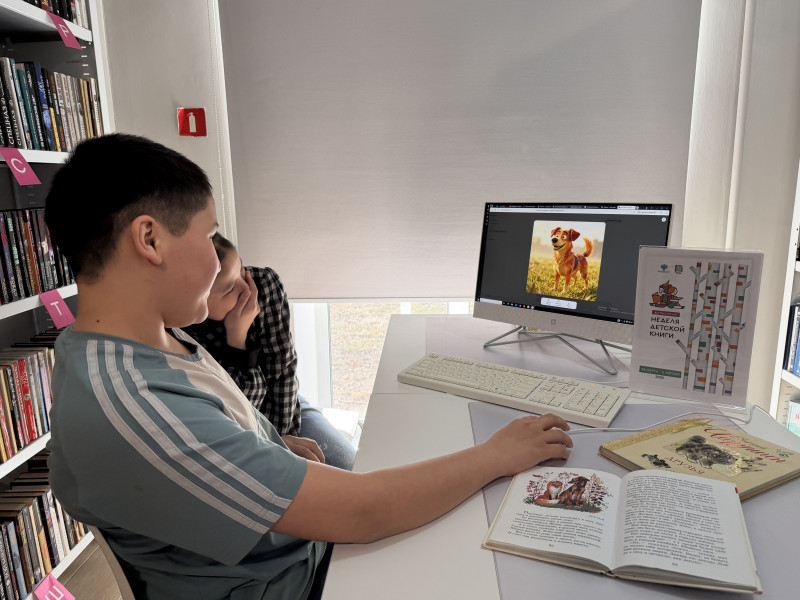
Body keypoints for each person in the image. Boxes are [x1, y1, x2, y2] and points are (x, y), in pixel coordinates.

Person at [44, 133, 573, 600]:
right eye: (208, 236)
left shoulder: (146, 339)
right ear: (150, 239)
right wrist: (494, 455)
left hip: (293, 551)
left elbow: (213, 425)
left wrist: (268, 445)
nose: (219, 256)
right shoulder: (133, 403)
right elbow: (363, 511)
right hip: (290, 581)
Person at [183, 233, 356, 470]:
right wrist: (237, 339)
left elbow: (283, 373)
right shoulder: (184, 331)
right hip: (240, 429)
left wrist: (282, 443)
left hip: (286, 409)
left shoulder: (263, 284)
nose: (247, 289)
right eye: (230, 288)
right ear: (197, 299)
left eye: (241, 269)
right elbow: (235, 411)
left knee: (347, 467)